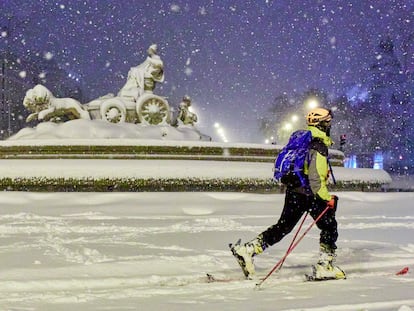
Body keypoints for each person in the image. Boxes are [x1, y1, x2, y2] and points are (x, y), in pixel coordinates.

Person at [231, 107, 346, 280]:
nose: (330, 125)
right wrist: (327, 198)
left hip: (294, 192)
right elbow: (316, 180)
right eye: (328, 121)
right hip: (311, 195)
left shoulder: (301, 139)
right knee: (330, 227)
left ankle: (248, 250)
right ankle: (325, 266)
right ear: (322, 124)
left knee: (283, 227)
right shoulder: (318, 145)